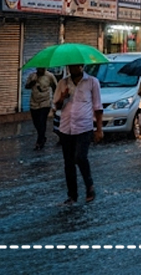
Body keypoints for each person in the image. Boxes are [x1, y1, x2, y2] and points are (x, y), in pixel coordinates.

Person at [52, 64, 103, 203]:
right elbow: (55, 106)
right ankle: (72, 195)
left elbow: (98, 106)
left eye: (75, 66)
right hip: (66, 127)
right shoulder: (63, 83)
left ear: (81, 66)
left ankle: (89, 186)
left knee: (80, 157)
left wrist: (99, 129)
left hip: (84, 127)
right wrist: (62, 98)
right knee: (68, 163)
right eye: (70, 66)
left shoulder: (92, 82)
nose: (72, 69)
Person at [25, 67, 57, 150]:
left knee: (42, 121)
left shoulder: (50, 76)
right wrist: (32, 82)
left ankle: (40, 141)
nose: (41, 70)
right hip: (34, 103)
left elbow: (55, 87)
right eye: (39, 68)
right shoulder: (32, 76)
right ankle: (42, 136)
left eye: (43, 68)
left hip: (45, 103)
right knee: (36, 122)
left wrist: (55, 100)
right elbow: (27, 86)